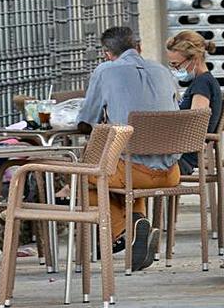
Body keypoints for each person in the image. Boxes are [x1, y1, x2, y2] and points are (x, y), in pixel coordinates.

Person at [76, 26, 180, 272]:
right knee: (121, 170)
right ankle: (135, 227)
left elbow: (85, 122)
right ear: (139, 47)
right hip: (171, 172)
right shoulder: (163, 70)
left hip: (133, 172)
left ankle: (122, 231)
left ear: (107, 54)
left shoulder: (105, 71)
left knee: (84, 177)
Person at [165, 30, 224, 175]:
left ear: (195, 59)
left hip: (183, 159)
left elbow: (196, 125)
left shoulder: (202, 84)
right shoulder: (203, 82)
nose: (175, 70)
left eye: (177, 65)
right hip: (181, 155)